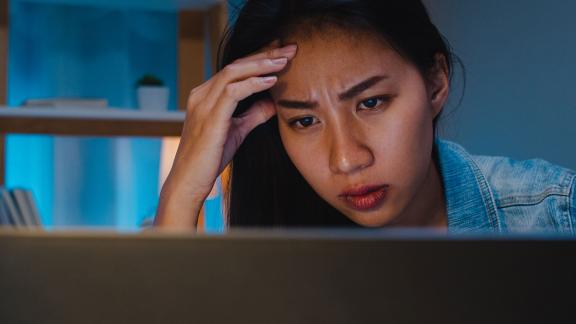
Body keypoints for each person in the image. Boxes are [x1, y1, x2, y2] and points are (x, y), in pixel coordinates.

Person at [154, 0, 576, 233]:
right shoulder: (271, 248)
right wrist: (181, 194)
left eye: (371, 103)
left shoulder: (557, 216)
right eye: (304, 121)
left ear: (435, 82)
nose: (346, 159)